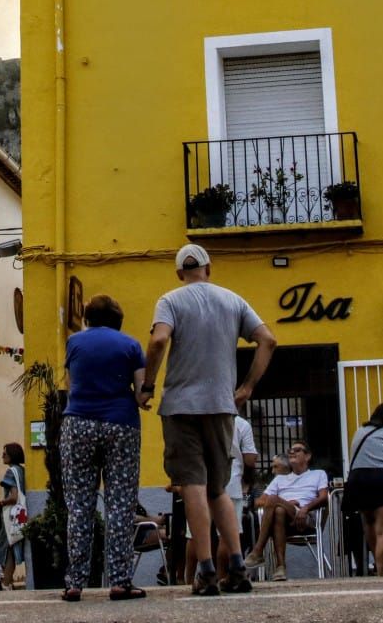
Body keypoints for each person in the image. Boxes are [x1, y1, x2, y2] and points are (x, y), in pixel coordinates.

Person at [139, 243, 277, 596]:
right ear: (209, 268)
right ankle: (236, 565)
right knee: (219, 489)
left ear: (178, 273)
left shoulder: (170, 300)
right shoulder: (232, 300)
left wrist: (149, 385)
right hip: (221, 405)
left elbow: (158, 342)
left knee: (192, 484)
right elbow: (268, 340)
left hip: (181, 407)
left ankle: (204, 570)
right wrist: (245, 387)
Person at [59, 292, 147, 602]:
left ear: (87, 319)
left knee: (79, 506)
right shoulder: (131, 345)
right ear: (118, 321)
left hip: (78, 423)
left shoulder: (74, 343)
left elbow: (69, 384)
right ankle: (120, 581)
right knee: (120, 505)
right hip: (121, 423)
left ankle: (74, 583)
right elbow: (140, 392)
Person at [183, 413, 259, 585]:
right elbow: (250, 459)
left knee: (194, 534)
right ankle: (222, 575)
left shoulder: (198, 418)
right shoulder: (241, 424)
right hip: (229, 481)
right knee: (226, 535)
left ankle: (188, 579)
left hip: (199, 481)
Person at [341, 404, 383, 578]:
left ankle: (376, 564)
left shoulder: (359, 432)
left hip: (358, 479)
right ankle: (381, 571)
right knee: (382, 530)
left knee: (368, 524)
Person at [248, 443, 328, 580]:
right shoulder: (280, 479)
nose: (292, 452)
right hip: (285, 519)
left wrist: (305, 508)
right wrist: (285, 503)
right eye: (290, 450)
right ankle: (280, 567)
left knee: (273, 499)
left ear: (307, 456)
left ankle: (258, 551)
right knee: (278, 510)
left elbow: (324, 498)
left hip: (306, 517)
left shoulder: (318, 474)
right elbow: (258, 502)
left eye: (297, 450)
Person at [0, 443, 28, 588]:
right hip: (21, 516)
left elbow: (14, 496)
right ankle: (7, 581)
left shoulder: (11, 472)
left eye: (5, 453)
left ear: (12, 455)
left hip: (11, 517)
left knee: (3, 547)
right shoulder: (22, 471)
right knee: (11, 547)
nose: (2, 456)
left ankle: (5, 581)